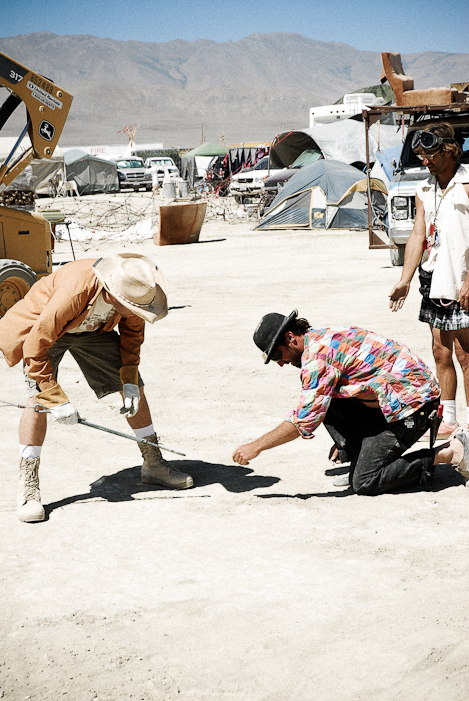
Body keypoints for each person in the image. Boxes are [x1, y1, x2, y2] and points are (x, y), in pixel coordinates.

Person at [0, 253, 193, 523]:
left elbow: (132, 338)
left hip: (93, 332)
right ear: (113, 295)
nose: (135, 313)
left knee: (137, 386)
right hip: (45, 332)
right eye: (129, 308)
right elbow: (36, 345)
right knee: (38, 401)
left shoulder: (134, 296)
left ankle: (153, 463)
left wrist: (128, 381)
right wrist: (54, 398)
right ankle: (28, 485)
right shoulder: (76, 291)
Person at [232, 310, 469, 493]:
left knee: (365, 481)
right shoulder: (319, 337)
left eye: (277, 355)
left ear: (290, 338)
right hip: (395, 396)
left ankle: (450, 452)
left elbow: (303, 422)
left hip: (415, 405)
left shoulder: (317, 360)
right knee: (322, 398)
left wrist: (256, 446)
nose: (280, 363)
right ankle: (361, 458)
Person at [389, 122, 469, 440]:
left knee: (466, 352)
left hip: (461, 279)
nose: (425, 161)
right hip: (434, 278)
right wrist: (405, 280)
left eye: (430, 154)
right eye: (421, 155)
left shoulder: (466, 183)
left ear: (449, 151)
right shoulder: (425, 188)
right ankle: (448, 419)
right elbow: (418, 234)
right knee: (440, 350)